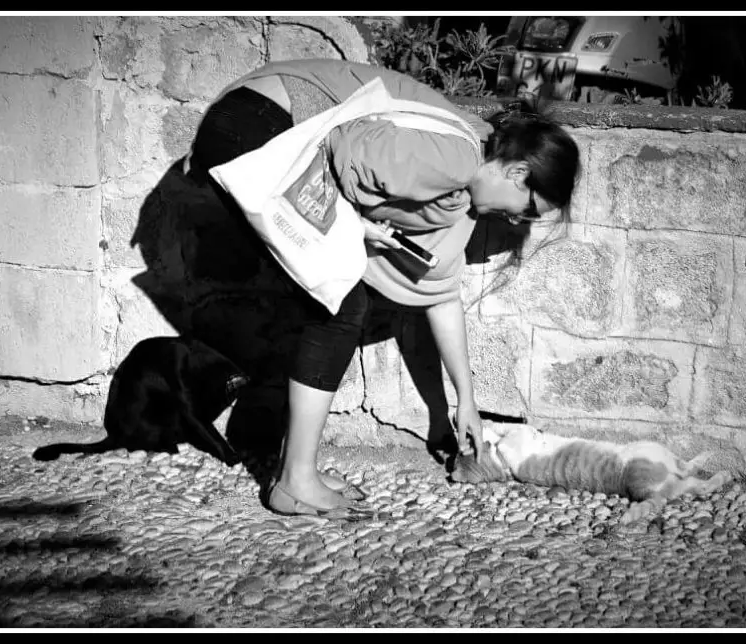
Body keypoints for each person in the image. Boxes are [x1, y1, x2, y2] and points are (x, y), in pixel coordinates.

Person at [185, 58, 581, 519]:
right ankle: (295, 481)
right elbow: (345, 147)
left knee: (331, 300)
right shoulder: (458, 157)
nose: (517, 221)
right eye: (529, 209)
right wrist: (352, 224)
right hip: (258, 123)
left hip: (260, 127)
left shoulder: (461, 194)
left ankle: (296, 472)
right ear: (516, 174)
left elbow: (442, 295)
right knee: (340, 304)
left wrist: (464, 403)